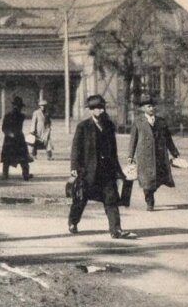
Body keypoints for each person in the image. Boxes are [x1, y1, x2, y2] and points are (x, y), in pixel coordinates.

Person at [69, 94, 137, 239]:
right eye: (95, 108)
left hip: (106, 170)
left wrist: (118, 171)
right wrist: (74, 168)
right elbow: (76, 149)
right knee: (81, 199)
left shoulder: (109, 126)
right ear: (90, 110)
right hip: (87, 171)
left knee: (111, 199)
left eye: (101, 108)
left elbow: (113, 150)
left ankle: (116, 229)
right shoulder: (83, 127)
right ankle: (73, 221)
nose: (99, 111)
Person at [128, 94, 181, 212]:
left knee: (157, 179)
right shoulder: (138, 121)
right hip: (144, 156)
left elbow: (168, 139)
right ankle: (149, 201)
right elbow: (133, 139)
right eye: (148, 106)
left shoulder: (161, 122)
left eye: (152, 106)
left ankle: (151, 193)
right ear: (143, 109)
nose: (152, 108)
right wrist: (130, 156)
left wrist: (175, 153)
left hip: (159, 155)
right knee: (146, 180)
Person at [1, 96, 32, 180]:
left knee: (23, 158)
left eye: (20, 106)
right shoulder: (9, 116)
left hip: (17, 138)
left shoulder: (21, 116)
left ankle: (25, 175)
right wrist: (9, 133)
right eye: (18, 106)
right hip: (11, 139)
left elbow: (4, 128)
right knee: (7, 158)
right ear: (15, 106)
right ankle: (5, 175)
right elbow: (4, 128)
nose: (19, 108)